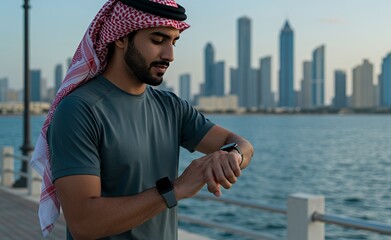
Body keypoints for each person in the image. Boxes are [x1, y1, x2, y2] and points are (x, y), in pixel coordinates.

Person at [30, 0, 254, 239]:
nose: (170, 55)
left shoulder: (172, 107)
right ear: (121, 37)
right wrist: (175, 190)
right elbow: (84, 223)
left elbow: (242, 145)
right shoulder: (79, 110)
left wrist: (231, 156)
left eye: (174, 42)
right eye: (157, 40)